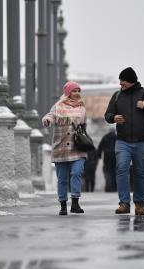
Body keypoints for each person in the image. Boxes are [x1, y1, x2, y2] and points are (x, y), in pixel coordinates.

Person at [104, 67, 144, 215]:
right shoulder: (117, 96)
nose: (120, 84)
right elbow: (107, 114)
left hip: (143, 141)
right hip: (123, 141)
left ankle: (139, 204)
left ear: (131, 80)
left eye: (123, 81)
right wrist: (113, 118)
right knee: (121, 169)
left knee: (140, 172)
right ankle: (124, 203)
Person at [42, 81, 87, 215]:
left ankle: (75, 203)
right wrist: (47, 120)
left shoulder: (82, 108)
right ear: (68, 93)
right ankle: (63, 205)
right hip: (60, 148)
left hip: (77, 147)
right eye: (74, 91)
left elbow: (84, 126)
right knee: (62, 179)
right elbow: (50, 116)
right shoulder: (58, 106)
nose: (77, 93)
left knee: (77, 173)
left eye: (79, 91)